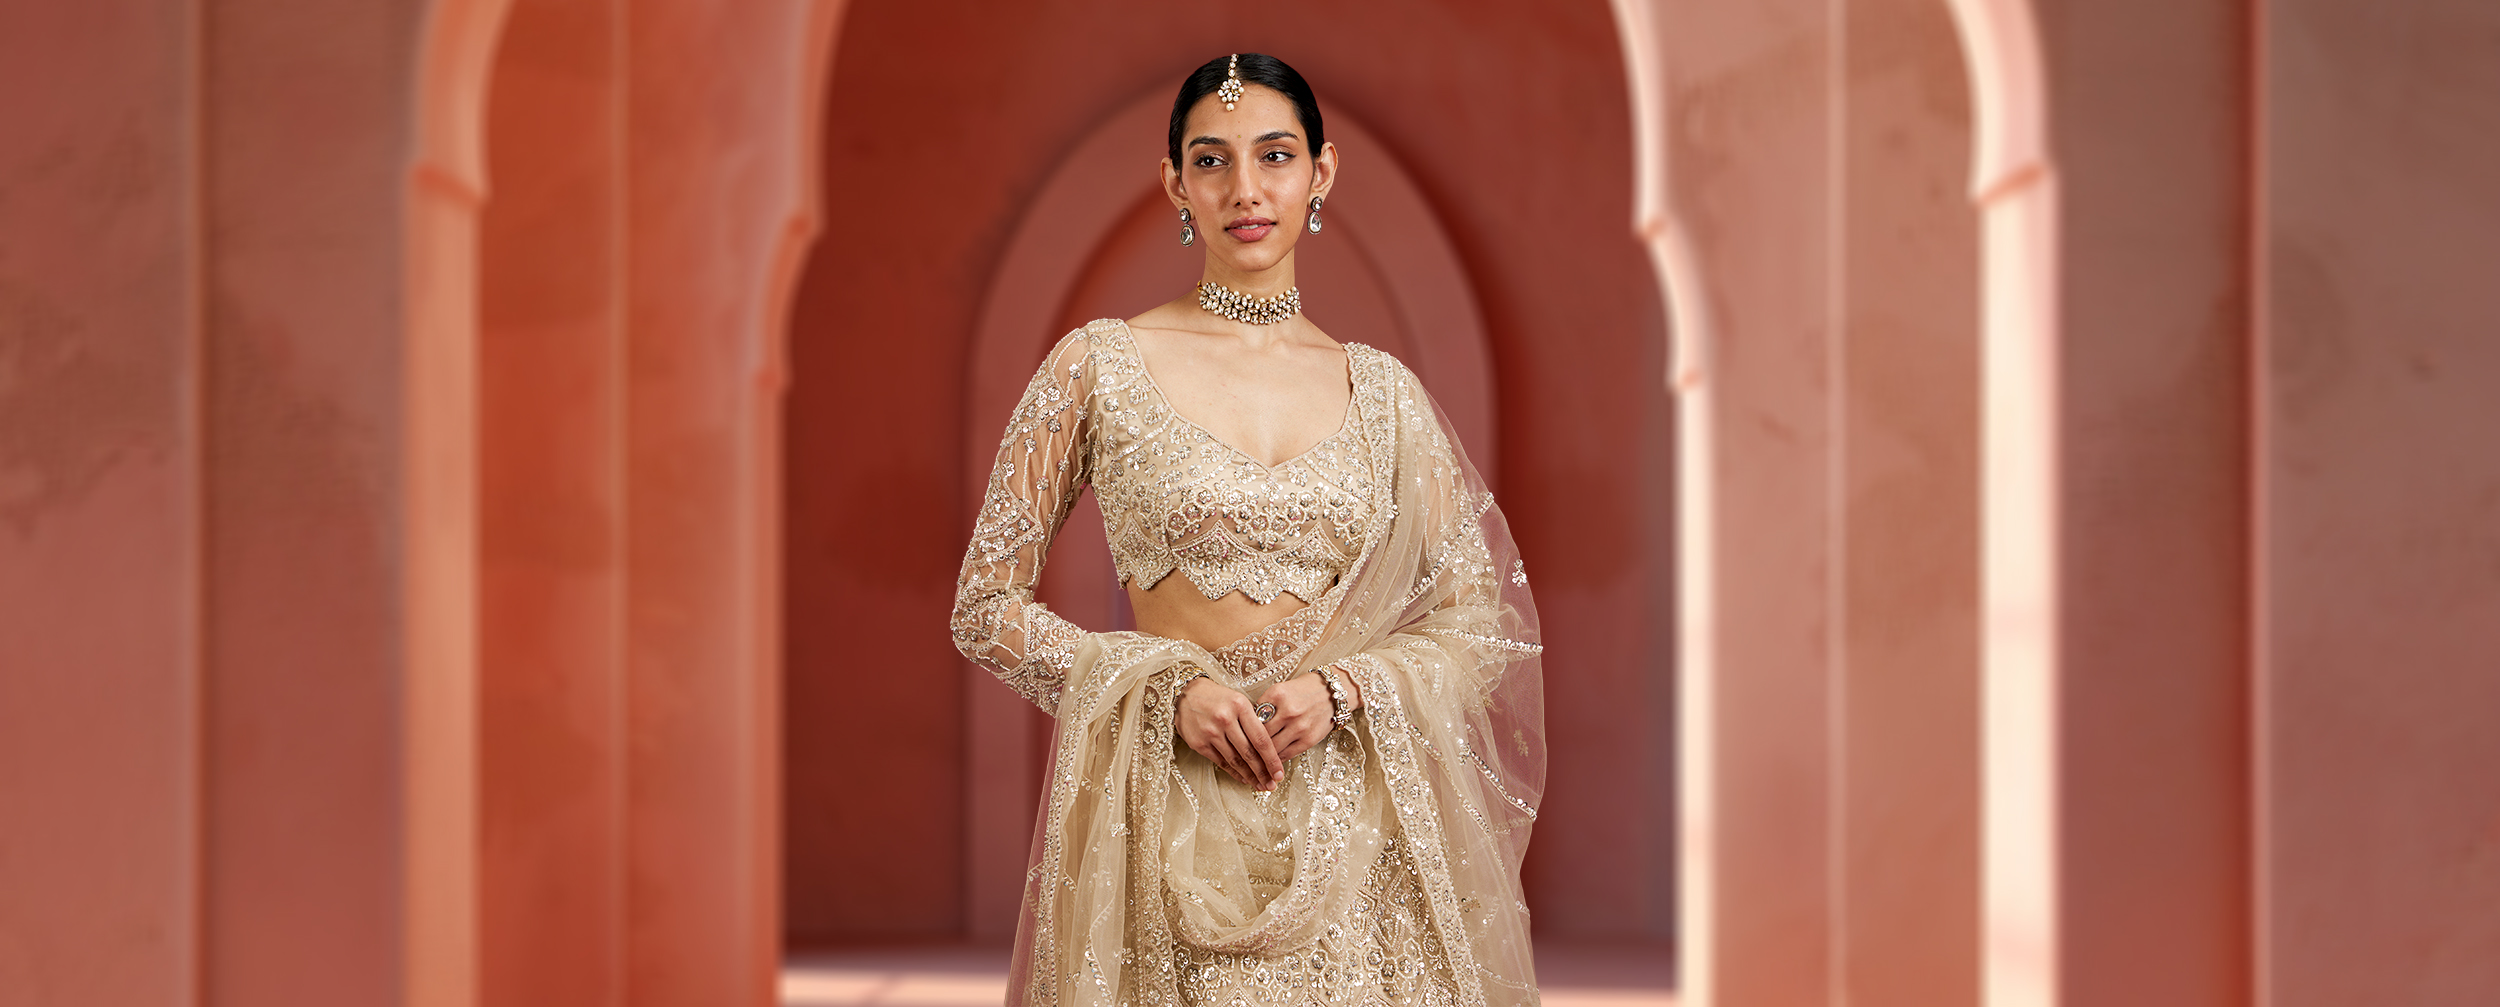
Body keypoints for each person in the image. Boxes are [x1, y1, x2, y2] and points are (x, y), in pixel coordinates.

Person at [950, 52, 1546, 1006]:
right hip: (1167, 839)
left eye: (1275, 156)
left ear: (1322, 172)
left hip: (1360, 863)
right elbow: (984, 607)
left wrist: (1348, 687)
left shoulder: (1385, 395)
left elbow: (1482, 624)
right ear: (1175, 182)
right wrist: (1161, 688)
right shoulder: (1097, 368)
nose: (1246, 189)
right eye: (1212, 159)